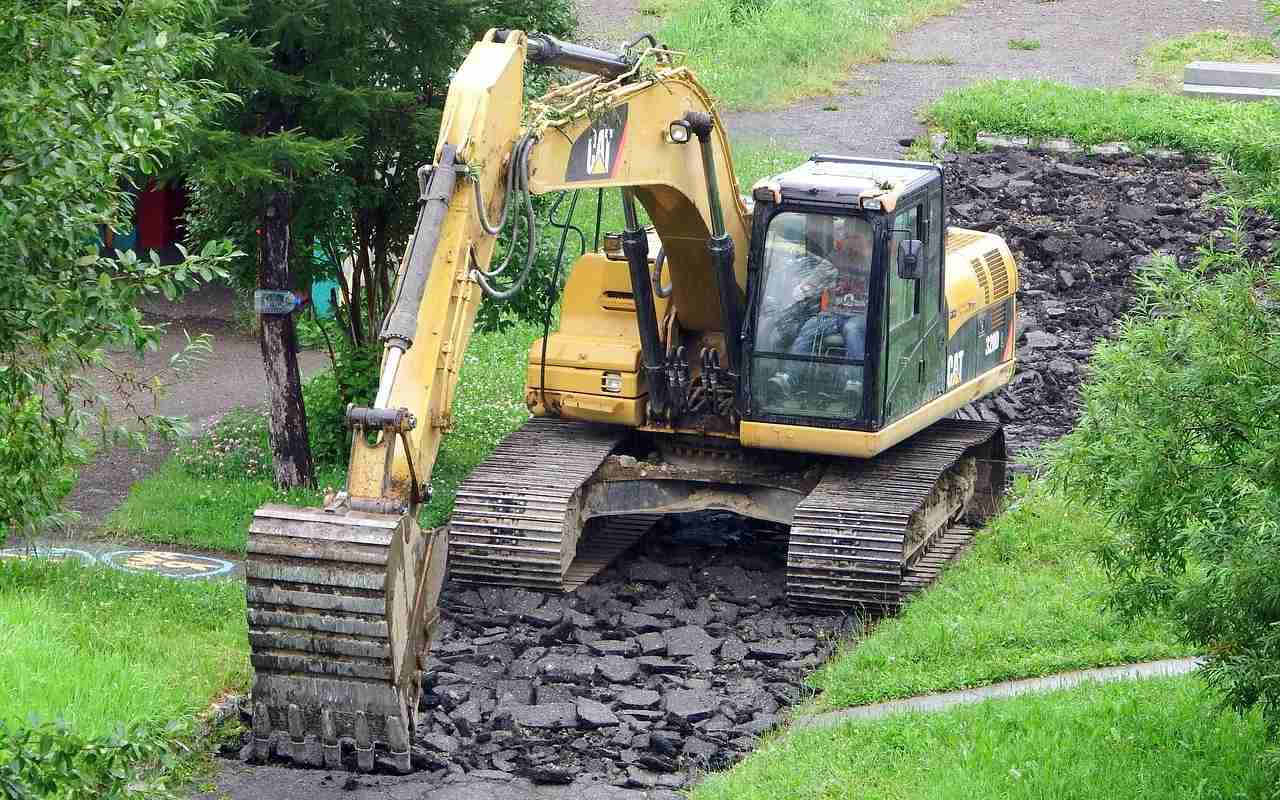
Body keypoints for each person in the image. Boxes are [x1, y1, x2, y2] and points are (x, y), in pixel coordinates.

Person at [787, 221, 871, 360]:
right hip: (833, 314)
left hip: (859, 317)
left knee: (852, 330)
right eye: (847, 237)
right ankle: (788, 375)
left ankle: (855, 377)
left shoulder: (873, 262)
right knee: (809, 328)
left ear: (865, 240)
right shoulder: (835, 259)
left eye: (856, 238)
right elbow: (816, 279)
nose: (851, 242)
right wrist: (800, 291)